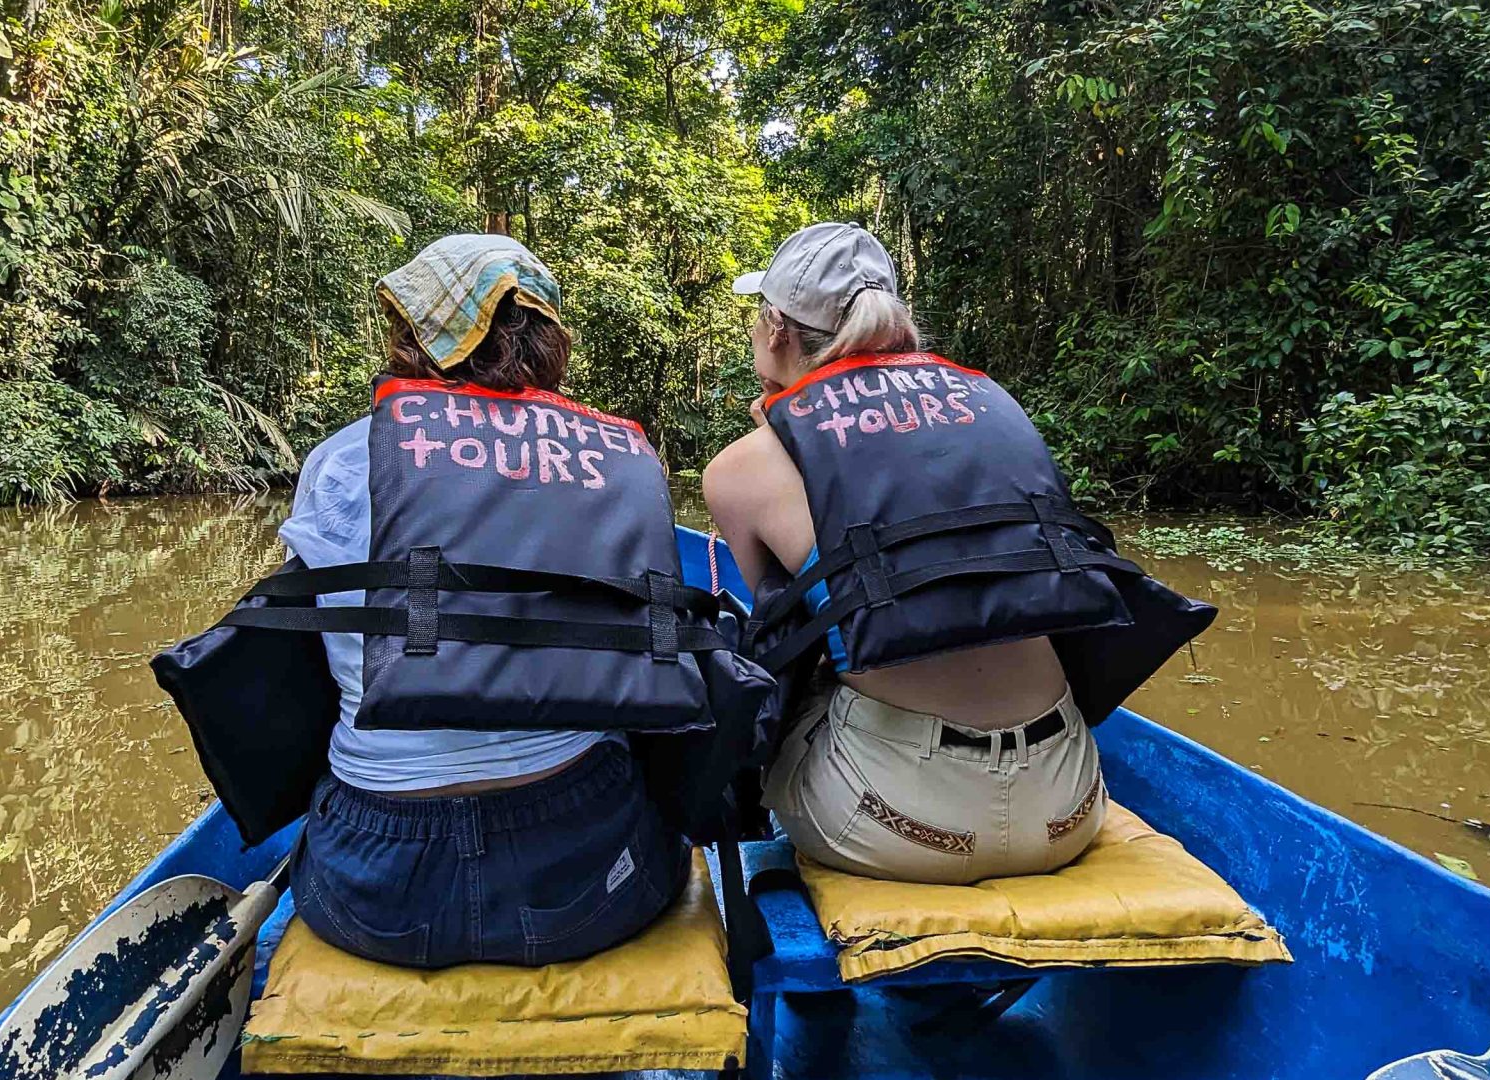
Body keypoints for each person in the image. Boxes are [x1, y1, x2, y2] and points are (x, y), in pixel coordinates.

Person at [704, 222, 1212, 886]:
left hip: (897, 823)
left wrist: (784, 426)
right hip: (1071, 804)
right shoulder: (991, 405)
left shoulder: (739, 471)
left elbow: (801, 637)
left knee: (770, 694)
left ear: (777, 330)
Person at [277, 235, 694, 968]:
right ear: (549, 338)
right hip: (587, 877)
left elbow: (310, 657)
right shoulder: (615, 458)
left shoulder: (342, 460)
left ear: (414, 331)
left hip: (373, 887)